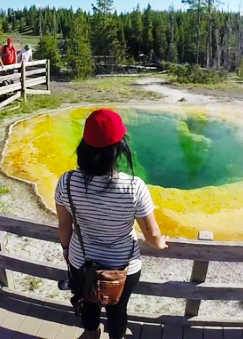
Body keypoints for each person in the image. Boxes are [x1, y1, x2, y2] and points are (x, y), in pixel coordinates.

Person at [55, 109, 167, 339]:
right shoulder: (134, 187)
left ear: (84, 145)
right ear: (118, 149)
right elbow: (153, 236)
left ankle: (91, 334)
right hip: (123, 268)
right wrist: (162, 243)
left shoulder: (67, 182)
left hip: (81, 261)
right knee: (117, 309)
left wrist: (66, 250)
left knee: (88, 302)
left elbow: (64, 226)